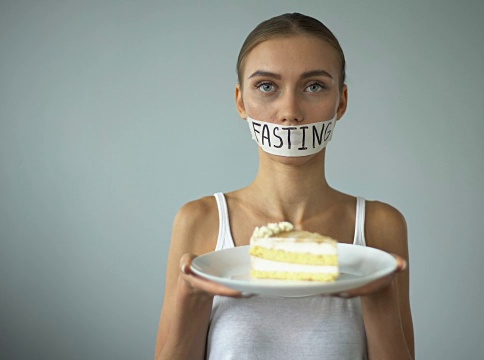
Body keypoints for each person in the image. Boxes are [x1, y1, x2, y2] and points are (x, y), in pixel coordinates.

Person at [155, 13, 414, 360]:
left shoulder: (380, 226)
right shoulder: (200, 221)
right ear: (240, 101)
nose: (289, 111)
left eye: (314, 86)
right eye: (266, 86)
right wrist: (192, 297)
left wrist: (380, 296)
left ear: (341, 102)